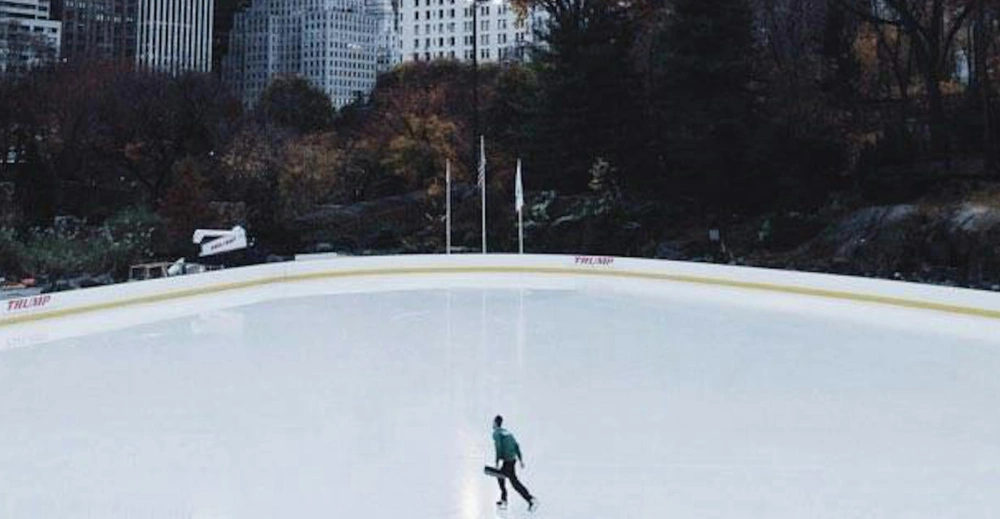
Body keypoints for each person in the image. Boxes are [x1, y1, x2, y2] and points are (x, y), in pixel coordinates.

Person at [492, 415, 537, 511]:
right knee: (501, 478)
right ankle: (505, 500)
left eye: (493, 422)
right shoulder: (507, 432)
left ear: (495, 423)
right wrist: (520, 459)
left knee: (513, 483)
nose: (493, 424)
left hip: (507, 461)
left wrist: (497, 461)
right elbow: (516, 445)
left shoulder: (496, 433)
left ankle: (530, 500)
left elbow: (498, 447)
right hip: (511, 460)